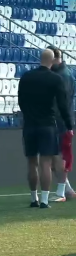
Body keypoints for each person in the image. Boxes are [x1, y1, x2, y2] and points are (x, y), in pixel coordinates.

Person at [17, 49, 73, 209]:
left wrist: (28, 115)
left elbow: (20, 100)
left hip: (30, 124)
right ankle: (44, 200)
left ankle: (33, 198)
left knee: (31, 163)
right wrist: (69, 125)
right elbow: (63, 105)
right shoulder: (55, 79)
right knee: (46, 163)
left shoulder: (26, 77)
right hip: (47, 124)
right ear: (52, 60)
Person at [48, 47, 76, 202]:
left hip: (61, 122)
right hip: (61, 120)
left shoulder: (63, 76)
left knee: (60, 156)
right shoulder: (62, 74)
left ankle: (62, 192)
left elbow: (62, 103)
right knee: (56, 156)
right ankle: (67, 190)